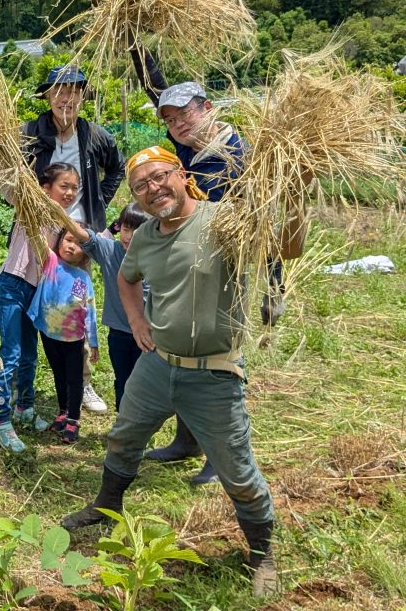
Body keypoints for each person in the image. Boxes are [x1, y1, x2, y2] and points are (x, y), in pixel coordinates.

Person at [58, 146, 310, 598]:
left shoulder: (222, 219)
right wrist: (137, 321)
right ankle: (105, 505)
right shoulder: (148, 236)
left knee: (236, 469)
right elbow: (125, 277)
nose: (153, 190)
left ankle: (262, 554)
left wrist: (296, 196)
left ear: (180, 174)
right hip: (158, 365)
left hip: (213, 372)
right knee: (124, 436)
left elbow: (286, 247)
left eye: (159, 177)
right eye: (141, 185)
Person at [131, 48, 254, 485]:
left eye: (186, 114)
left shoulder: (239, 152)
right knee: (183, 351)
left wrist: (272, 285)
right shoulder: (188, 148)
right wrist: (132, 33)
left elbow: (264, 225)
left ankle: (220, 459)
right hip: (188, 261)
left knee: (218, 359)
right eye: (170, 119)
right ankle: (188, 440)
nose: (179, 124)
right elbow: (153, 83)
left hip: (224, 269)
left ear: (208, 109)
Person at [24, 65, 126, 415]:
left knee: (76, 306)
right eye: (58, 91)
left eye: (74, 91)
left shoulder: (94, 135)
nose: (66, 98)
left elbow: (117, 169)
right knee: (44, 302)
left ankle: (81, 383)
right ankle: (41, 384)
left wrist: (98, 207)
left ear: (83, 96)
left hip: (78, 235)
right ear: (48, 97)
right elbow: (3, 163)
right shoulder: (31, 132)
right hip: (39, 232)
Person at [0, 163, 79, 453]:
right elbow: (6, 184)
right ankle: (1, 420)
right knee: (12, 354)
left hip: (36, 292)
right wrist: (8, 162)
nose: (69, 192)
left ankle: (24, 409)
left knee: (29, 356)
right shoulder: (29, 204)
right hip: (13, 286)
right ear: (46, 188)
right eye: (64, 185)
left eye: (74, 187)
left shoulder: (62, 220)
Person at [62, 203, 150, 410]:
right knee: (122, 380)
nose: (129, 236)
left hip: (151, 335)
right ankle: (123, 424)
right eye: (126, 229)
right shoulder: (111, 251)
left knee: (145, 385)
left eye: (137, 230)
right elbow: (87, 238)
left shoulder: (158, 256)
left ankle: (141, 430)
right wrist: (59, 211)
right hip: (119, 333)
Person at [27, 227, 99, 444]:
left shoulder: (82, 279)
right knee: (58, 374)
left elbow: (90, 311)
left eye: (78, 244)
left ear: (85, 253)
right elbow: (35, 234)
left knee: (74, 379)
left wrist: (93, 341)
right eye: (68, 240)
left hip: (73, 339)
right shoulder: (50, 262)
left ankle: (73, 420)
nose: (71, 246)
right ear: (58, 243)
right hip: (48, 333)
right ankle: (63, 411)